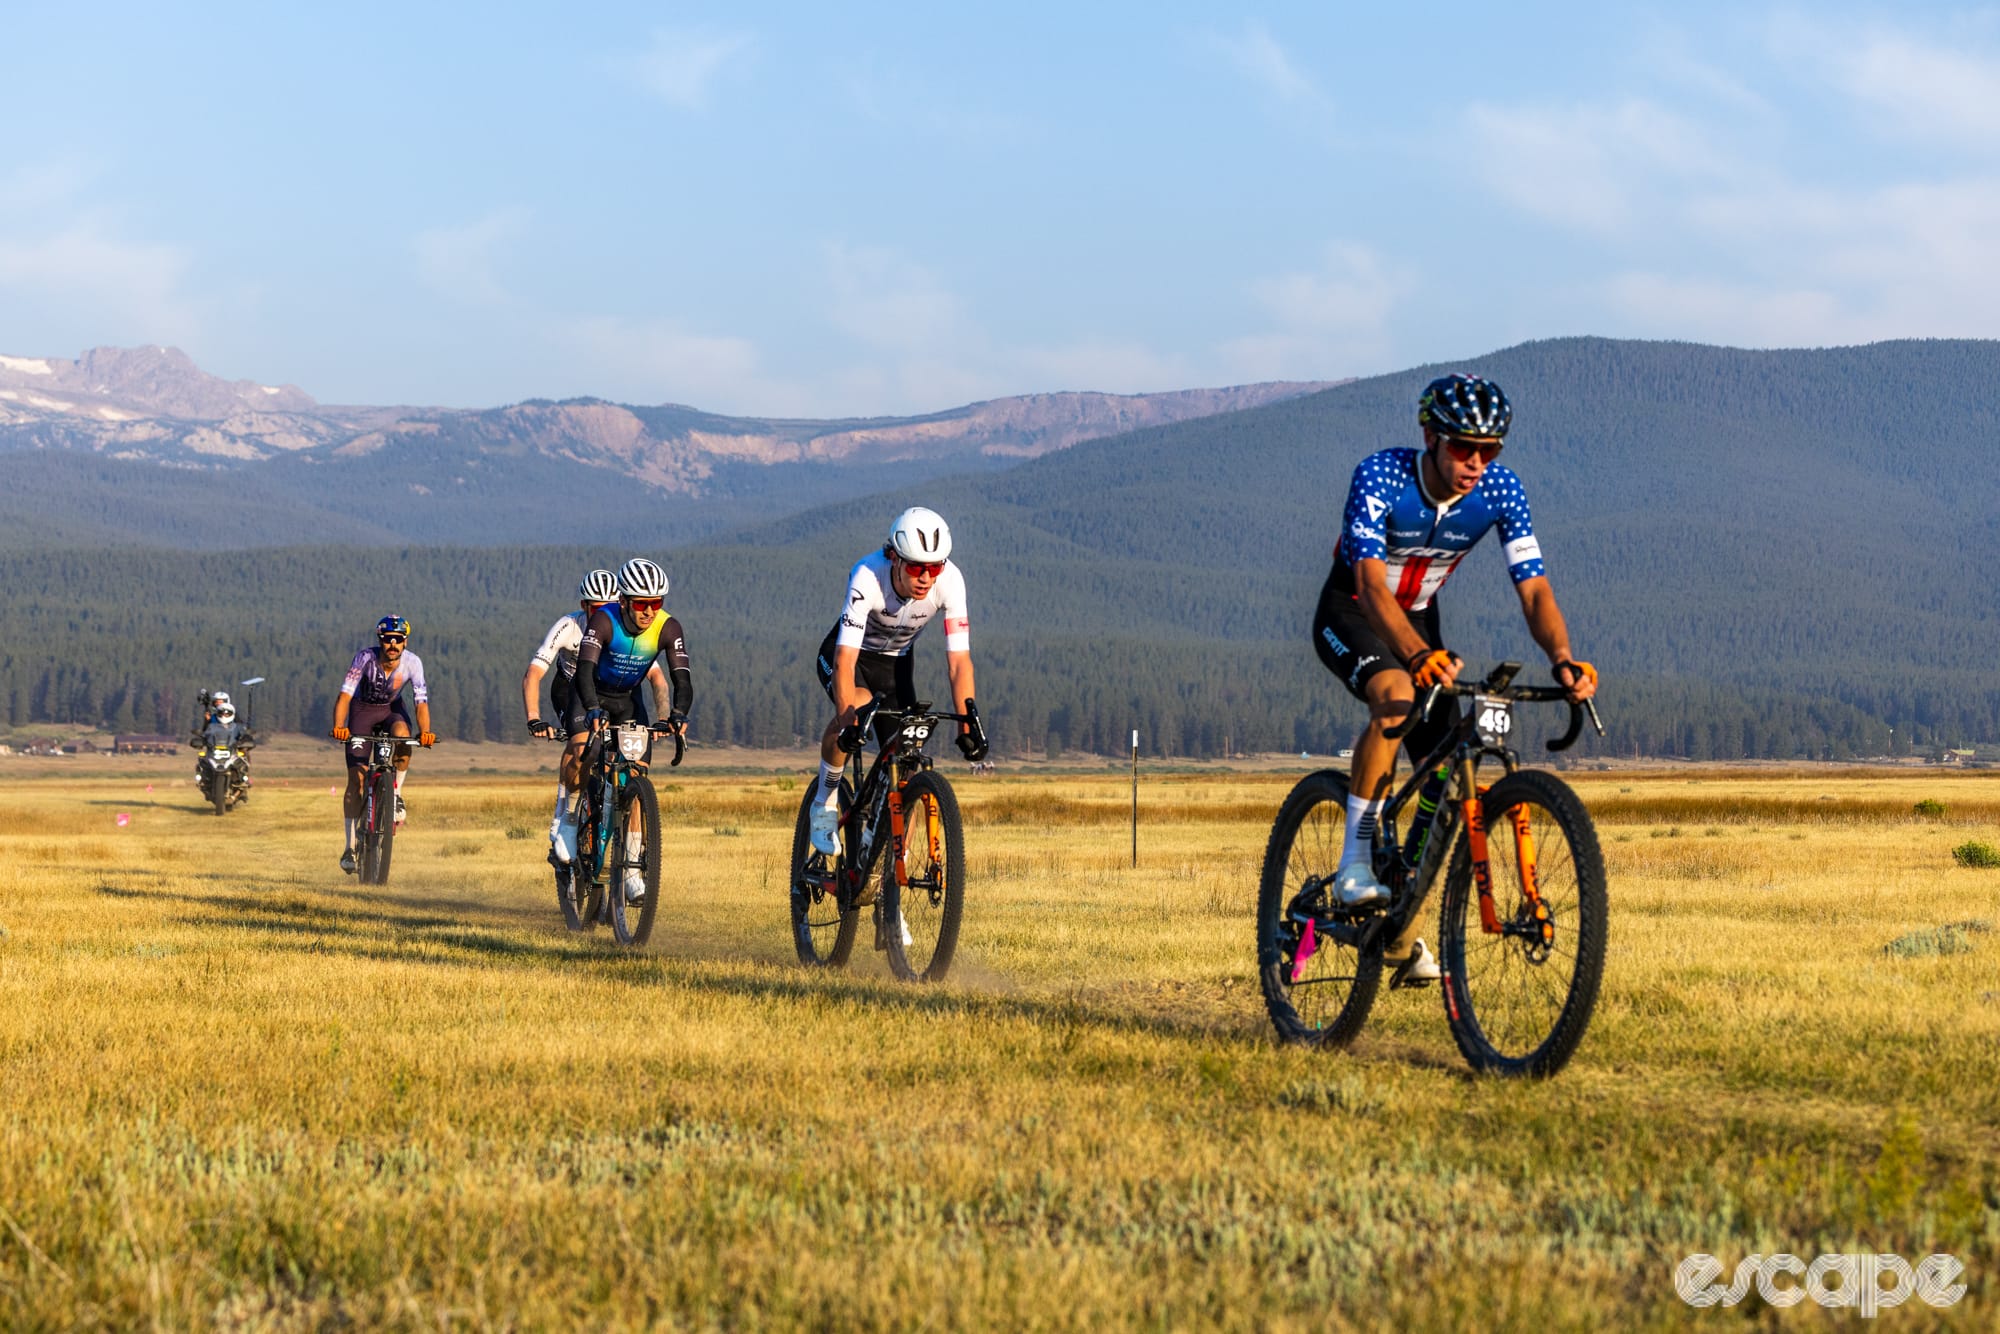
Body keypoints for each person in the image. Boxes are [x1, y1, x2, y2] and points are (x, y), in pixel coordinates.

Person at [1311, 373, 1597, 985]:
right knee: (1395, 697)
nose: (1476, 463)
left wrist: (1563, 658)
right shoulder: (1382, 476)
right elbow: (1368, 584)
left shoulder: (1500, 490)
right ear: (1431, 437)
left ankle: (1399, 925)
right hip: (1355, 611)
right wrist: (1414, 656)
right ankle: (1355, 860)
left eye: (1490, 450)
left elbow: (1535, 589)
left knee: (1446, 770)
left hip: (1419, 620)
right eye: (1464, 449)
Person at [808, 506, 988, 859]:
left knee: (909, 755)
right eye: (917, 568)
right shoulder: (868, 575)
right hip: (850, 657)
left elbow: (959, 663)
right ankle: (824, 801)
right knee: (857, 707)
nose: (926, 577)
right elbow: (845, 660)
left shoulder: (951, 582)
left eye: (934, 568)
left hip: (896, 666)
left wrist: (968, 720)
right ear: (894, 558)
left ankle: (889, 875)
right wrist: (848, 723)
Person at [553, 557, 693, 898]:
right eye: (642, 604)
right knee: (582, 751)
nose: (649, 612)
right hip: (589, 693)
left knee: (635, 778)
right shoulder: (604, 620)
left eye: (655, 603)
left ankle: (631, 871)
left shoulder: (668, 627)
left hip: (628, 701)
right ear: (625, 601)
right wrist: (591, 710)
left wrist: (677, 715)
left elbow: (681, 679)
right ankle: (568, 821)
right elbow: (583, 672)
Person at [524, 567, 671, 871]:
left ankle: (630, 854)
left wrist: (664, 717)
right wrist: (534, 718)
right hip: (572, 689)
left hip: (620, 695)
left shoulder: (623, 627)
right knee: (581, 748)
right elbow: (534, 673)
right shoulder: (569, 627)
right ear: (584, 607)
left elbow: (657, 678)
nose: (604, 613)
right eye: (596, 608)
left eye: (610, 606)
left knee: (634, 771)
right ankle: (567, 812)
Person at [330, 614, 435, 874]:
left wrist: (426, 732)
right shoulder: (364, 658)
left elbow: (421, 702)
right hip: (362, 711)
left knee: (403, 735)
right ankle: (350, 846)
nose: (393, 645)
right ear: (380, 640)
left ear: (405, 642)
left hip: (391, 709)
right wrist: (339, 726)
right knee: (357, 779)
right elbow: (345, 695)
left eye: (398, 640)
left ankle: (395, 795)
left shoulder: (413, 663)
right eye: (388, 640)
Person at [188, 694, 255, 792]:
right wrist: (207, 721)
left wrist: (243, 738)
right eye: (217, 702)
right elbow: (206, 731)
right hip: (215, 745)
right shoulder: (212, 716)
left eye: (221, 701)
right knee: (203, 759)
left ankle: (245, 776)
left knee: (244, 752)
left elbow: (241, 728)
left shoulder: (233, 715)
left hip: (231, 744)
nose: (219, 704)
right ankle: (204, 778)